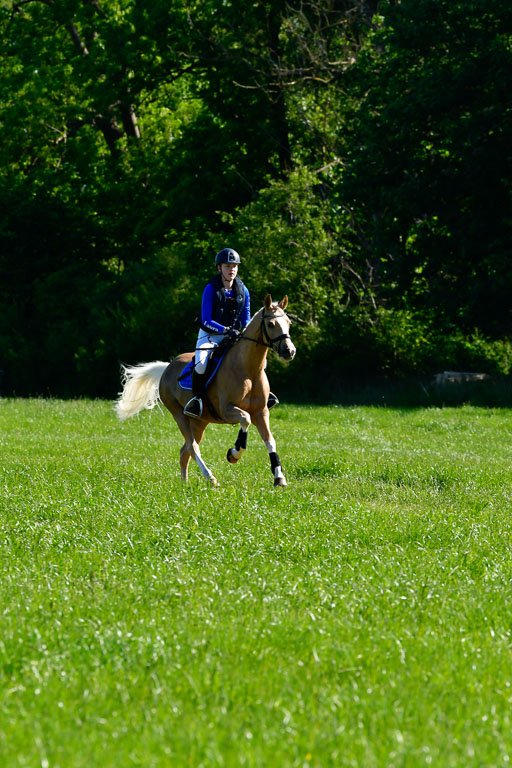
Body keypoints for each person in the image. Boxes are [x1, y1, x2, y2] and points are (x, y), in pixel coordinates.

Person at [183, 248, 279, 419]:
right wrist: (225, 330)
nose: (232, 269)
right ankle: (196, 400)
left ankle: (263, 395)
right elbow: (206, 319)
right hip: (209, 335)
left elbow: (246, 318)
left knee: (260, 363)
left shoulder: (243, 291)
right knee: (201, 363)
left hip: (234, 335)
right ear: (219, 268)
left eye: (234, 266)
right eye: (228, 266)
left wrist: (242, 331)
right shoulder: (211, 289)